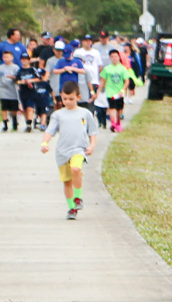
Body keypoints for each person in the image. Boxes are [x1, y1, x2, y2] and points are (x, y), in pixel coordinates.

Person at [39, 81, 98, 219]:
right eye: (65, 99)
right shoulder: (58, 115)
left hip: (78, 149)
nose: (68, 102)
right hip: (62, 152)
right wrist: (44, 143)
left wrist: (92, 145)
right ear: (61, 97)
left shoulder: (85, 113)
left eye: (71, 99)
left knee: (76, 169)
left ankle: (78, 198)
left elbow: (93, 131)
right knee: (67, 182)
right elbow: (50, 131)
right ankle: (72, 208)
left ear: (78, 97)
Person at [99, 49, 138, 134]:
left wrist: (123, 90)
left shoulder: (122, 69)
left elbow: (127, 81)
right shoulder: (107, 69)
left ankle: (118, 123)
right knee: (112, 107)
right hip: (110, 91)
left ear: (118, 57)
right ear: (110, 58)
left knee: (119, 109)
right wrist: (100, 90)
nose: (114, 58)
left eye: (115, 56)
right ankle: (113, 123)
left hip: (119, 92)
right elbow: (103, 80)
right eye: (112, 56)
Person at [0, 49, 19, 131]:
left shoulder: (15, 67)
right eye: (4, 57)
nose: (6, 58)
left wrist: (13, 77)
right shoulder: (1, 67)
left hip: (13, 90)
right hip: (3, 89)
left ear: (12, 58)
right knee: (4, 107)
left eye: (7, 57)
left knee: (14, 108)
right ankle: (5, 124)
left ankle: (14, 121)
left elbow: (18, 78)